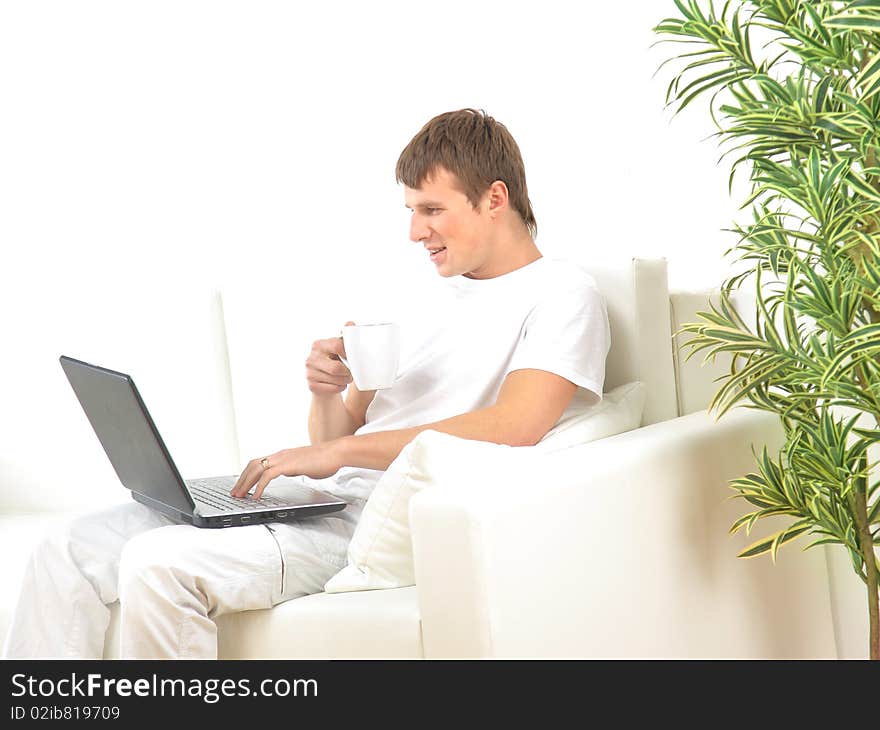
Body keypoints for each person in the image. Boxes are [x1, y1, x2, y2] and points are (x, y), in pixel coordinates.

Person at [2, 108, 610, 659]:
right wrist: (327, 395)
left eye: (431, 210)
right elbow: (340, 430)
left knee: (160, 564)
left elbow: (517, 425)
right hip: (322, 500)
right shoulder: (427, 296)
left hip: (375, 522)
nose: (415, 232)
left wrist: (336, 451)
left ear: (494, 198)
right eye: (410, 211)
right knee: (65, 548)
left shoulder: (561, 295)